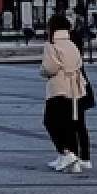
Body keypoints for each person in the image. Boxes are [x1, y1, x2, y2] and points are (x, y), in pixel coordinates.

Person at [40, 13, 88, 173]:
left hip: (58, 87)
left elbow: (50, 67)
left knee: (50, 122)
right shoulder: (71, 44)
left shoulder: (51, 45)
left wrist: (42, 71)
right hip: (73, 87)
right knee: (68, 124)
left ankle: (65, 152)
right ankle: (73, 161)